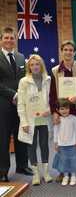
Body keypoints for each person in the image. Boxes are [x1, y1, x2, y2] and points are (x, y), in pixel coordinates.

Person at [49, 40, 76, 181]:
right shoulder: (55, 71)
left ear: (75, 52)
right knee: (62, 142)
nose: (68, 52)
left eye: (71, 50)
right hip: (62, 112)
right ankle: (62, 171)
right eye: (66, 49)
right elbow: (52, 94)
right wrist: (54, 112)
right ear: (61, 51)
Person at [0, 27, 32, 182]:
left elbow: (25, 78)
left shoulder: (21, 57)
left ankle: (22, 165)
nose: (9, 40)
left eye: (11, 38)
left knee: (22, 135)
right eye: (6, 38)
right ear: (1, 40)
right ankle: (3, 171)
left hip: (20, 105)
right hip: (3, 104)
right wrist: (13, 94)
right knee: (3, 138)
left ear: (15, 40)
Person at [17, 54, 53, 185]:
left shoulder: (48, 79)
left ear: (41, 65)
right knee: (31, 147)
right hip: (30, 120)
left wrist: (50, 110)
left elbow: (51, 99)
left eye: (37, 64)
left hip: (44, 119)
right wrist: (24, 122)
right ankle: (36, 174)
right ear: (29, 67)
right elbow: (21, 104)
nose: (35, 67)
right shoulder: (24, 81)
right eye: (32, 65)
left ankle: (46, 172)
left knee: (44, 145)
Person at [53, 99, 76, 186]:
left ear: (69, 108)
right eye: (62, 109)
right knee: (64, 160)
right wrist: (56, 143)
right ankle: (66, 176)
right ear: (58, 110)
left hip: (72, 145)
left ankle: (73, 175)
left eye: (66, 108)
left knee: (73, 160)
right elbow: (55, 131)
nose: (64, 111)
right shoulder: (58, 120)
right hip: (62, 145)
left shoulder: (74, 118)